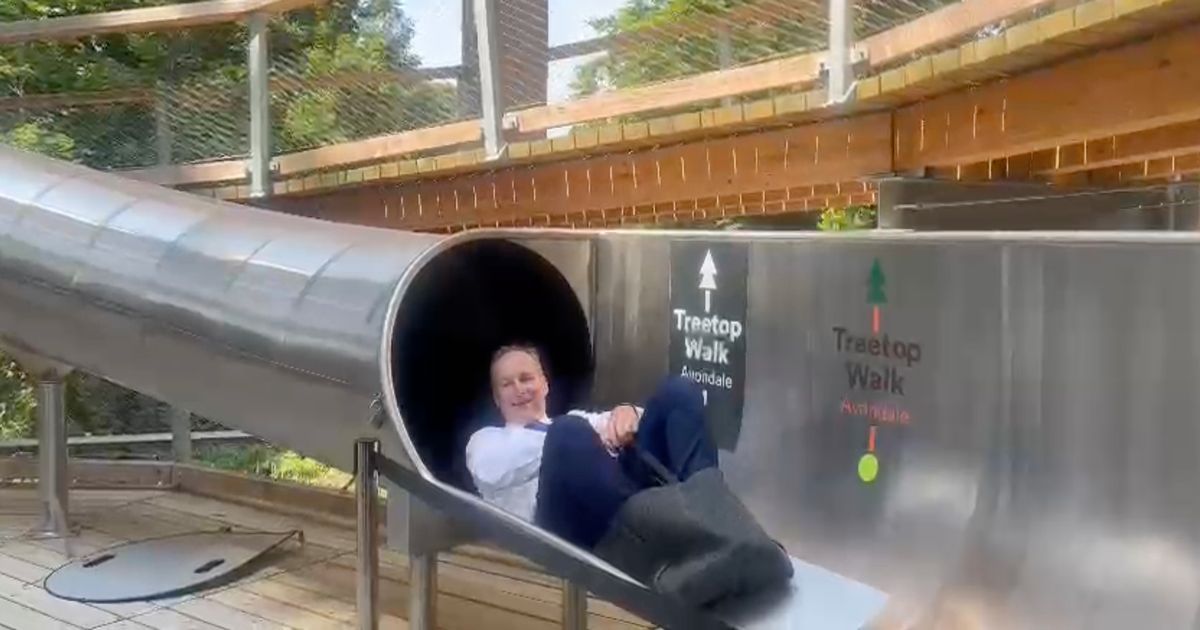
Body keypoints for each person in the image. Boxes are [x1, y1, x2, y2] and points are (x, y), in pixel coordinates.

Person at [465, 343, 719, 549]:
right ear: (497, 399)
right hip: (559, 534)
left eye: (526, 378)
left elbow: (638, 420)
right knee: (566, 433)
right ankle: (656, 535)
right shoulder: (486, 440)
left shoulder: (577, 420)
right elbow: (491, 469)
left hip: (622, 498)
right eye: (507, 384)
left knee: (678, 392)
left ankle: (712, 518)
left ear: (544, 385)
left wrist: (628, 412)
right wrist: (588, 438)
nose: (519, 389)